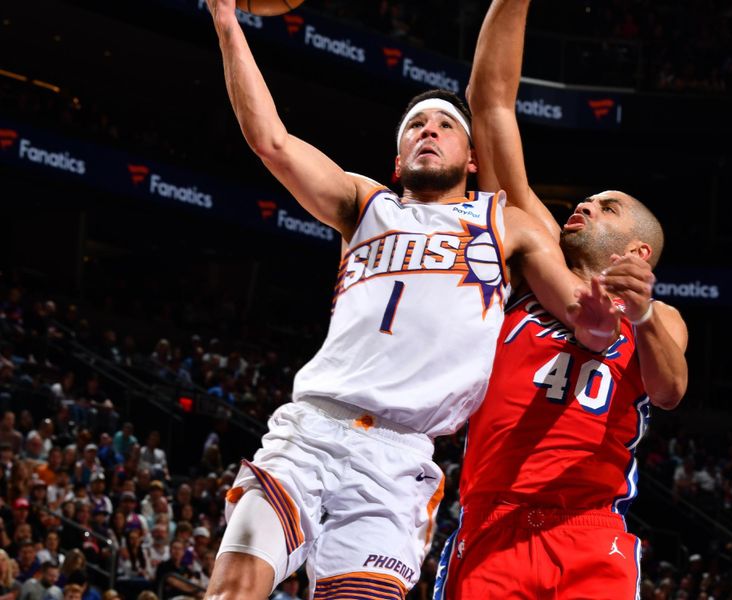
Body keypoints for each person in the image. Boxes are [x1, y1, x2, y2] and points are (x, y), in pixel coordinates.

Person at [203, 0, 621, 598]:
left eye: (445, 125)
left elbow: (585, 320)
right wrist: (226, 20)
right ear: (397, 161)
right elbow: (271, 141)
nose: (429, 130)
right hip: (312, 431)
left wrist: (602, 320)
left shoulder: (507, 224)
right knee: (234, 587)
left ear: (472, 160)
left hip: (399, 461)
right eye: (416, 127)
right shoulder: (363, 204)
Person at [435, 1, 689, 598]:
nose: (585, 205)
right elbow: (490, 100)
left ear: (638, 251)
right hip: (492, 520)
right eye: (588, 199)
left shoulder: (663, 317)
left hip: (590, 531)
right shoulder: (532, 262)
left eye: (606, 206)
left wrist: (645, 315)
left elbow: (671, 390)